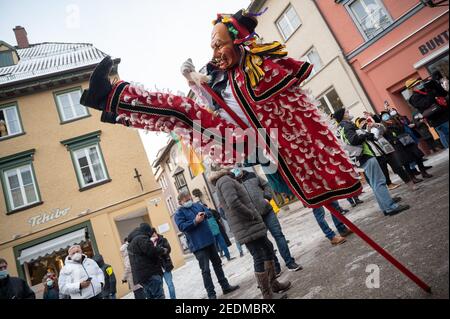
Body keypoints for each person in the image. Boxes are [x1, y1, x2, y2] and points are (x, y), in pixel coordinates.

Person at [79, 8, 363, 211]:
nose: (215, 53)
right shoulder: (236, 74)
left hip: (259, 146)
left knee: (182, 110)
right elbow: (224, 102)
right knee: (178, 118)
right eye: (212, 47)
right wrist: (198, 81)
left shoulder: (261, 69)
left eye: (219, 45)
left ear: (239, 42)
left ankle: (111, 101)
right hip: (249, 142)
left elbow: (286, 114)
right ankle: (117, 113)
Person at [210, 166, 291, 299]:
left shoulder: (226, 179)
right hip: (246, 225)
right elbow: (233, 202)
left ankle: (273, 284)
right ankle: (267, 295)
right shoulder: (224, 180)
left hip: (249, 225)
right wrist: (251, 214)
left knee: (268, 248)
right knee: (259, 256)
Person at [334, 108, 410, 216]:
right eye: (346, 112)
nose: (348, 113)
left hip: (359, 159)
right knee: (379, 182)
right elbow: (353, 140)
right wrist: (366, 135)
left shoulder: (341, 127)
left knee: (375, 184)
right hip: (366, 156)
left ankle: (385, 207)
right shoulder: (347, 125)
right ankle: (391, 207)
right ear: (342, 116)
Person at [232, 167, 302, 272]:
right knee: (266, 244)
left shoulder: (252, 175)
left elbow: (266, 185)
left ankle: (290, 262)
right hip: (254, 217)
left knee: (278, 235)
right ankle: (276, 268)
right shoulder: (233, 184)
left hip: (267, 211)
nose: (235, 170)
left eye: (236, 167)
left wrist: (267, 197)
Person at [174, 191, 239, 299]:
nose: (189, 201)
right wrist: (195, 221)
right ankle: (211, 294)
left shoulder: (197, 205)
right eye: (186, 200)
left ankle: (225, 286)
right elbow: (182, 226)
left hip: (209, 240)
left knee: (217, 264)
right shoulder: (179, 213)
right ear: (180, 202)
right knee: (205, 270)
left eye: (189, 198)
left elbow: (209, 213)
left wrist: (204, 214)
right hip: (198, 245)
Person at [380, 111, 433, 181]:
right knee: (406, 162)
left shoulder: (396, 121)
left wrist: (396, 122)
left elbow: (403, 128)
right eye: (385, 118)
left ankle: (423, 172)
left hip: (407, 140)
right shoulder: (383, 127)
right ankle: (412, 178)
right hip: (398, 145)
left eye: (388, 117)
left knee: (418, 156)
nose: (388, 119)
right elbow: (385, 136)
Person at [127, 223, 168, 299]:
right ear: (147, 231)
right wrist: (162, 250)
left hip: (141, 276)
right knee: (159, 296)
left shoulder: (131, 243)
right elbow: (151, 251)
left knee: (150, 296)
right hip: (150, 273)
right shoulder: (141, 238)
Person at [407, 77, 449, 149]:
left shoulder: (426, 91)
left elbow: (443, 93)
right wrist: (430, 91)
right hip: (437, 119)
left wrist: (435, 84)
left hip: (445, 114)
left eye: (419, 83)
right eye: (417, 84)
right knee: (446, 135)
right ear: (412, 88)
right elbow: (426, 103)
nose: (420, 84)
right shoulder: (414, 98)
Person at [150, 228, 177, 299]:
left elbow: (168, 249)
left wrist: (159, 250)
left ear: (155, 233)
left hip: (166, 266)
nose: (152, 236)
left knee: (170, 284)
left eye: (153, 234)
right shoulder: (149, 243)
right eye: (151, 235)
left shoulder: (163, 239)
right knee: (160, 287)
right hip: (157, 269)